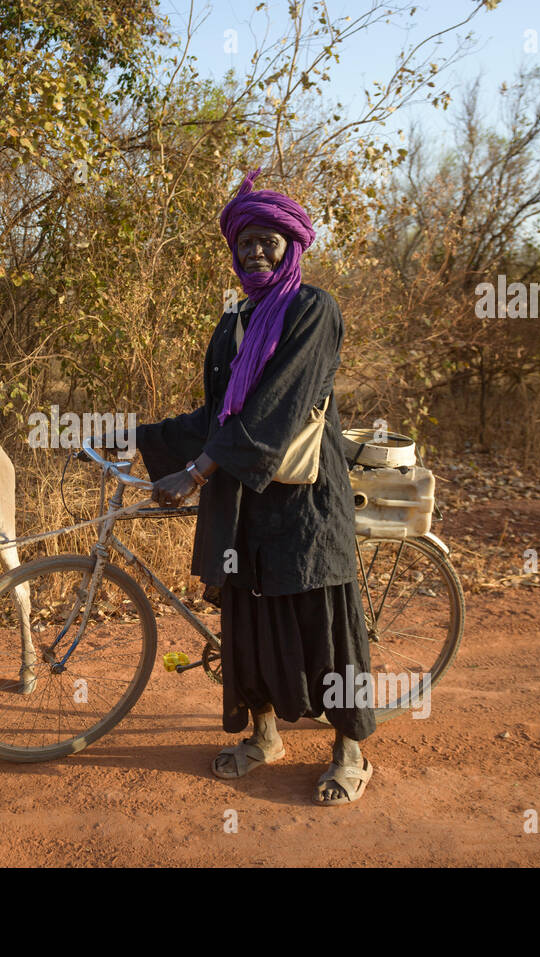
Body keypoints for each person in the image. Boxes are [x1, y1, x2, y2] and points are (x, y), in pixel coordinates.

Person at [106, 167, 376, 805]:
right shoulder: (233, 323)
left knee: (324, 626)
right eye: (244, 241)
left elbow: (277, 410)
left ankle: (350, 751)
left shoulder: (314, 311)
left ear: (293, 244)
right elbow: (216, 416)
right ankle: (265, 735)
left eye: (267, 239)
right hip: (243, 505)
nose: (254, 250)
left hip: (305, 504)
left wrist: (195, 470)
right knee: (249, 622)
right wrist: (136, 436)